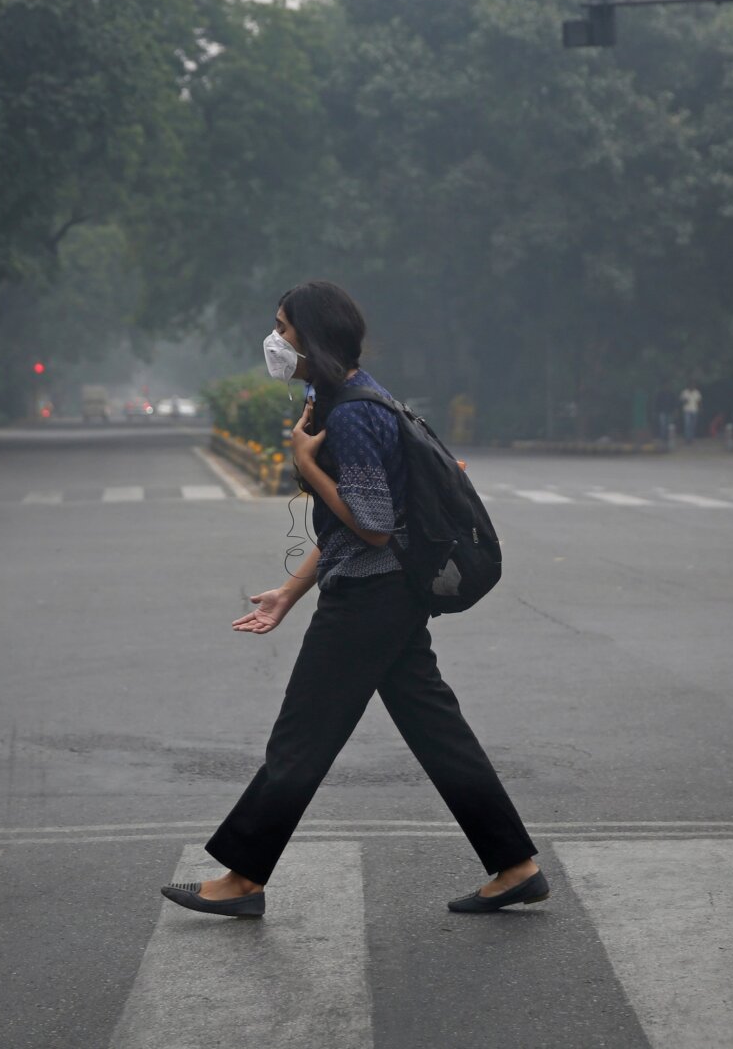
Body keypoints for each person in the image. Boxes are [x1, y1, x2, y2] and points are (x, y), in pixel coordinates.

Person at [159, 281, 544, 919]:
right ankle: (515, 864)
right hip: (384, 593)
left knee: (300, 739)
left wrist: (307, 467)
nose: (275, 340)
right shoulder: (344, 398)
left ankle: (244, 878)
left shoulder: (353, 413)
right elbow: (351, 532)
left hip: (368, 602)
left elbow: (372, 524)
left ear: (313, 339)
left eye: (284, 329)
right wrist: (288, 591)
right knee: (436, 730)